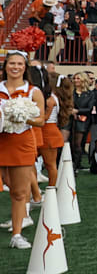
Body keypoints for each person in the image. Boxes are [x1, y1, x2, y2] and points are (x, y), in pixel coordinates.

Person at [0, 52, 46, 249]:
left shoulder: (33, 91)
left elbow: (41, 120)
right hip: (1, 140)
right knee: (8, 184)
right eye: (11, 63)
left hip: (22, 142)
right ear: (5, 66)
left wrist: (23, 118)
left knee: (19, 192)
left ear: (25, 67)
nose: (15, 67)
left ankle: (17, 234)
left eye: (19, 64)